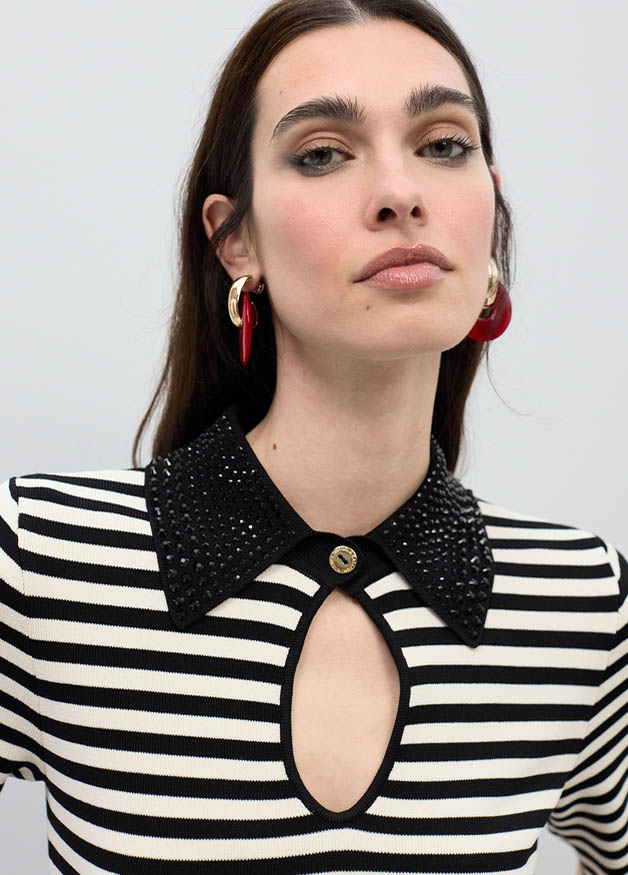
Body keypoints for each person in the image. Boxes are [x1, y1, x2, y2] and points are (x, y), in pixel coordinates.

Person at [1, 0, 625, 872]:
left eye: (444, 144)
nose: (401, 193)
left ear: (491, 208)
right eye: (323, 153)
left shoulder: (582, 605)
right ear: (235, 242)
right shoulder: (39, 560)